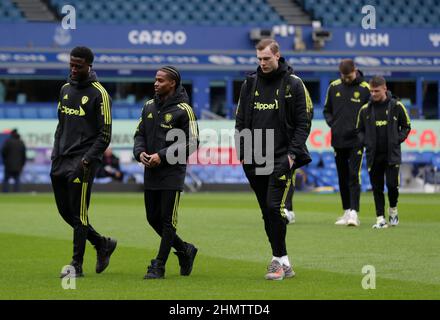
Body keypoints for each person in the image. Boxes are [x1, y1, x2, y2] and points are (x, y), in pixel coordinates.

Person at [235, 39, 313, 280]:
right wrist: (243, 155)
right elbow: (240, 121)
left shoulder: (294, 84)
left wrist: (291, 156)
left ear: (278, 56)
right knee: (266, 212)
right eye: (259, 59)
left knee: (274, 207)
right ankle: (284, 260)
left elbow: (304, 123)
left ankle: (276, 263)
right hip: (254, 158)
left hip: (281, 157)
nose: (262, 63)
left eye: (266, 58)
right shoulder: (249, 83)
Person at [50, 46, 117, 278]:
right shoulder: (65, 88)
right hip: (61, 158)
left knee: (79, 214)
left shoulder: (100, 94)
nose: (74, 69)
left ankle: (76, 265)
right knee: (64, 212)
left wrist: (88, 160)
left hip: (83, 161)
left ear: (90, 66)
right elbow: (61, 125)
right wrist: (55, 152)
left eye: (78, 65)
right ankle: (101, 243)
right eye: (71, 64)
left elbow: (105, 134)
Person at [133, 66, 199, 279]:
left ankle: (158, 265)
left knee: (167, 220)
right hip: (151, 170)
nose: (156, 83)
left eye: (161, 80)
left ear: (172, 83)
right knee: (152, 218)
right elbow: (139, 134)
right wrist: (140, 152)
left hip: (172, 171)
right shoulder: (149, 106)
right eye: (155, 79)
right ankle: (184, 249)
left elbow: (193, 141)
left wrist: (162, 155)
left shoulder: (184, 109)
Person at [356, 76, 411, 229]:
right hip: (373, 155)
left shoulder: (397, 106)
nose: (373, 94)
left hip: (391, 154)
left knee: (392, 186)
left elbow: (406, 126)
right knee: (377, 188)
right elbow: (358, 131)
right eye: (371, 91)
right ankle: (380, 218)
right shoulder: (365, 109)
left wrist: (396, 140)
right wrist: (365, 141)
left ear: (385, 89)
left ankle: (393, 209)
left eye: (377, 91)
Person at [323, 59, 370, 227]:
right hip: (338, 140)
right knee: (342, 177)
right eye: (344, 76)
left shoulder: (365, 89)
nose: (346, 79)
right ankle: (346, 210)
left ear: (355, 71)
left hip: (356, 141)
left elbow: (370, 113)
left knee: (353, 175)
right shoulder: (334, 86)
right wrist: (333, 124)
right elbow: (326, 110)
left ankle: (354, 213)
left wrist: (362, 133)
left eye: (349, 76)